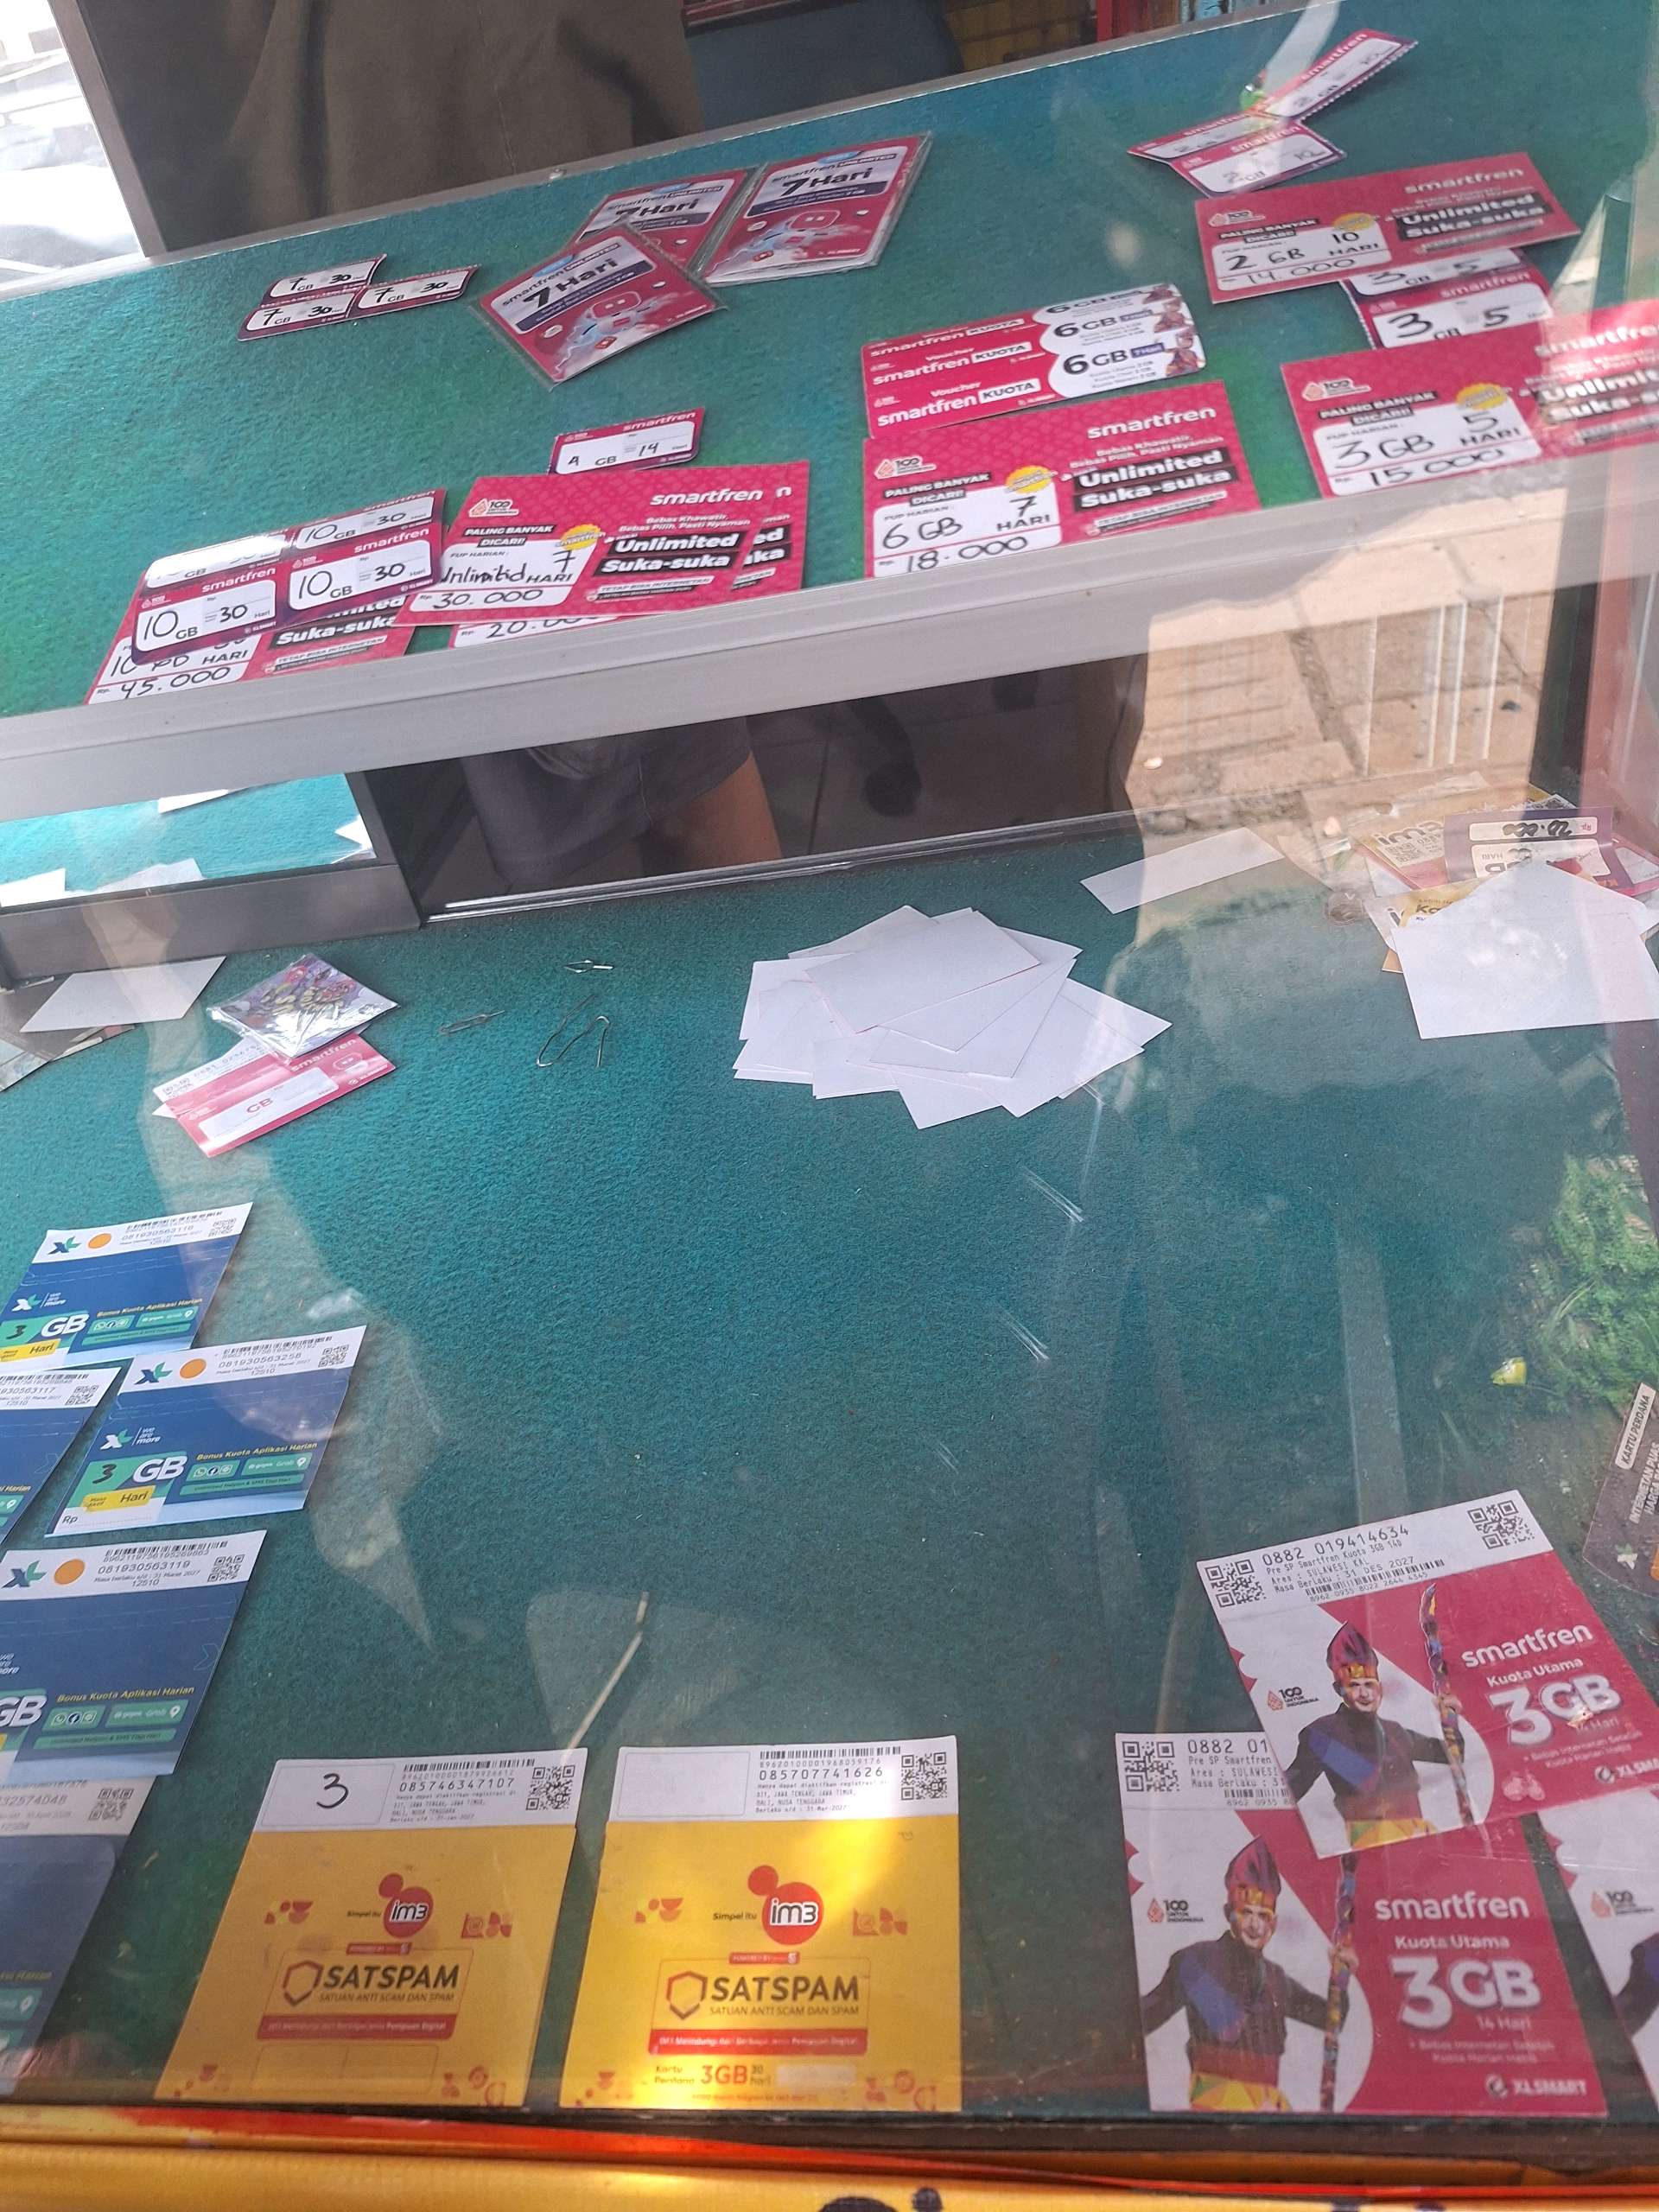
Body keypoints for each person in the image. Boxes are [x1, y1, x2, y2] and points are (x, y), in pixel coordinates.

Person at [77, 0, 782, 891]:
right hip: (368, 256)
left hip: (437, 207)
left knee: (628, 709)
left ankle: (728, 918)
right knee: (591, 694)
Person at [1140, 1838, 1344, 2113]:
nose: (1255, 1925)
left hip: (1270, 2109)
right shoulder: (1195, 1962)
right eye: (1246, 1913)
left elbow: (1332, 2019)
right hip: (1216, 2110)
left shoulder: (1276, 1979)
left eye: (1264, 1915)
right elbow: (1142, 2019)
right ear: (1230, 1914)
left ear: (1273, 1924)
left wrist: (1340, 1975)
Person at [1284, 1623, 1458, 1851]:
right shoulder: (1321, 1734)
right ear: (1340, 1690)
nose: (1364, 1693)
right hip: (1372, 1846)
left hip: (1423, 1839)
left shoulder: (1395, 1731)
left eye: (1369, 1684)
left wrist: (1449, 1716)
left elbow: (1453, 1755)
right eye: (1354, 1686)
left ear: (1380, 1689)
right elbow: (1287, 1794)